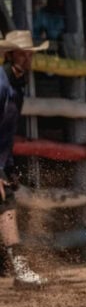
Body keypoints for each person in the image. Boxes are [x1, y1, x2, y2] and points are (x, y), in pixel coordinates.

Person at [0, 30, 49, 287]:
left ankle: (20, 270)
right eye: (23, 54)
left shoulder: (17, 86)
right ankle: (20, 271)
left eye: (30, 53)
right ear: (10, 55)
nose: (28, 58)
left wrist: (8, 167)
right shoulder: (2, 84)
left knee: (6, 207)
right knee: (6, 208)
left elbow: (5, 133)